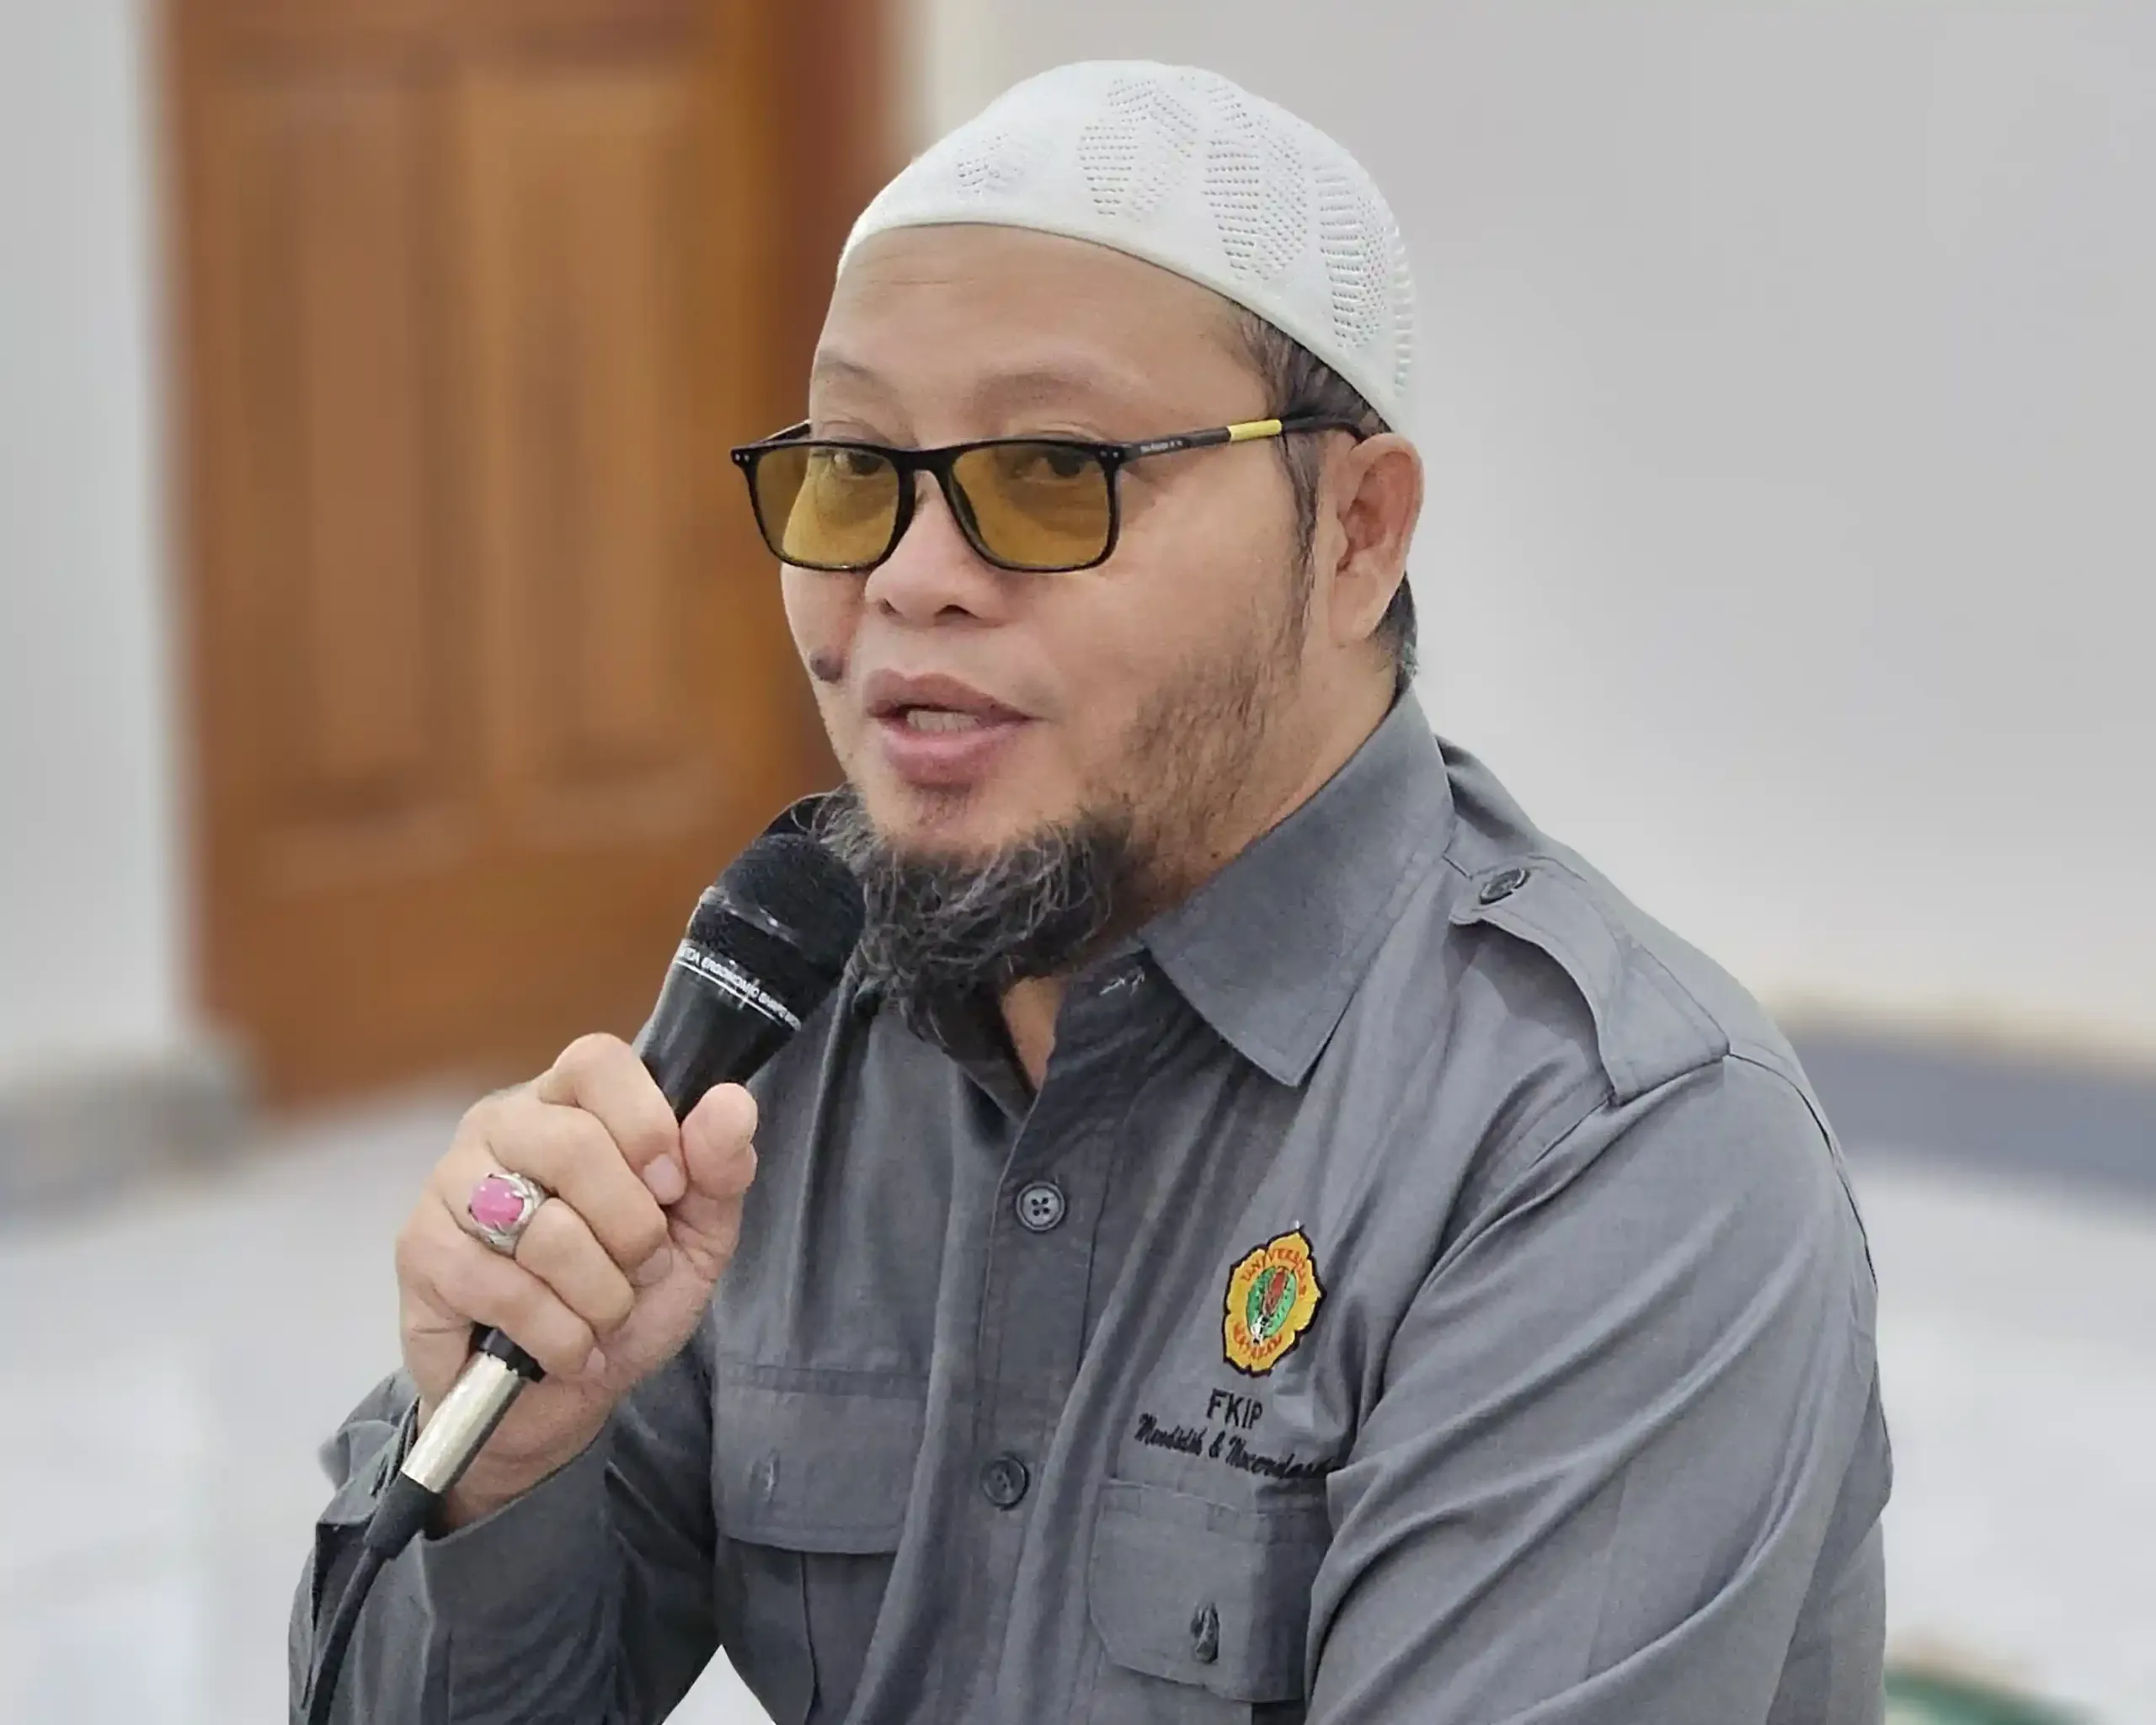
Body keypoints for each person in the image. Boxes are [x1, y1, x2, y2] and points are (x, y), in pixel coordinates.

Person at [291, 59, 1889, 1725]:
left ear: (1354, 531)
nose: (906, 578)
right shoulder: (795, 1039)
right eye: (854, 469)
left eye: (1052, 472)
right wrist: (505, 1468)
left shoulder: (1612, 1153)